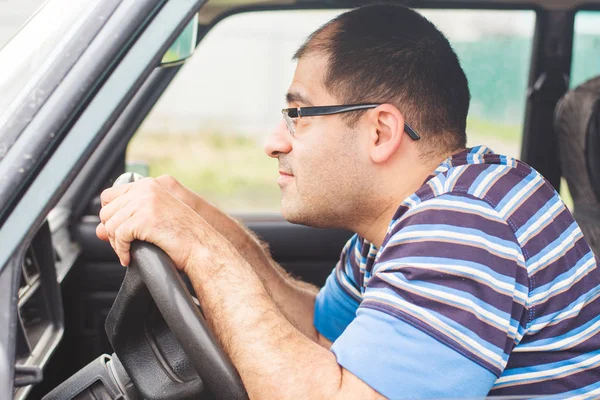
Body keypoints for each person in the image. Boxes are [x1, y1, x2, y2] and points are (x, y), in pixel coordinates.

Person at [96, 4, 600, 399]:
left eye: (298, 113)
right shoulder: (408, 219)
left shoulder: (463, 228)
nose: (274, 141)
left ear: (380, 130)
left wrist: (202, 250)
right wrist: (204, 222)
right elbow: (320, 334)